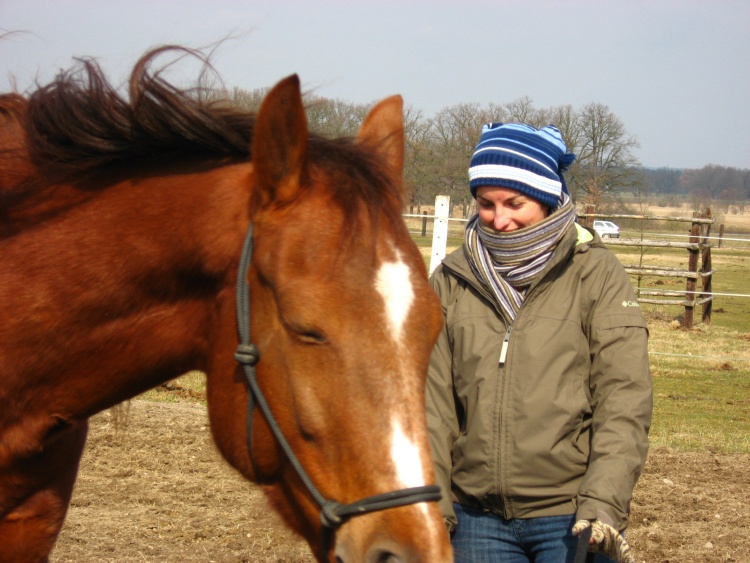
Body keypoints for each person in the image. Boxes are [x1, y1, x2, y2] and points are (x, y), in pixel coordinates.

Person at [425, 123, 652, 563]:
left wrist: (603, 503)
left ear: (547, 198)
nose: (499, 218)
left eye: (515, 202)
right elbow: (431, 406)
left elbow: (624, 398)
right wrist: (434, 506)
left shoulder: (596, 275)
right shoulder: (451, 281)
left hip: (570, 517)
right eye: (485, 203)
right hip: (475, 518)